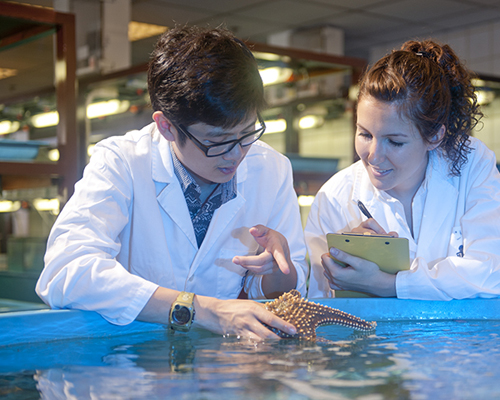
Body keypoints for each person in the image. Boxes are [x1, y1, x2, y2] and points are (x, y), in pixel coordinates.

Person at [36, 26, 308, 340]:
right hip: (134, 361)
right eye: (216, 141)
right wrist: (201, 309)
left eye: (247, 133)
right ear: (166, 126)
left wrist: (278, 271)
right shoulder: (121, 161)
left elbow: (287, 291)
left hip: (221, 370)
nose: (236, 155)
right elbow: (65, 273)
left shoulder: (271, 168)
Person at [305, 39, 500, 300]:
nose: (374, 155)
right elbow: (317, 304)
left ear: (434, 136)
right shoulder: (336, 197)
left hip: (464, 341)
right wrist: (341, 264)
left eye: (395, 141)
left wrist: (391, 284)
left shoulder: (469, 162)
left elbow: (497, 273)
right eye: (365, 134)